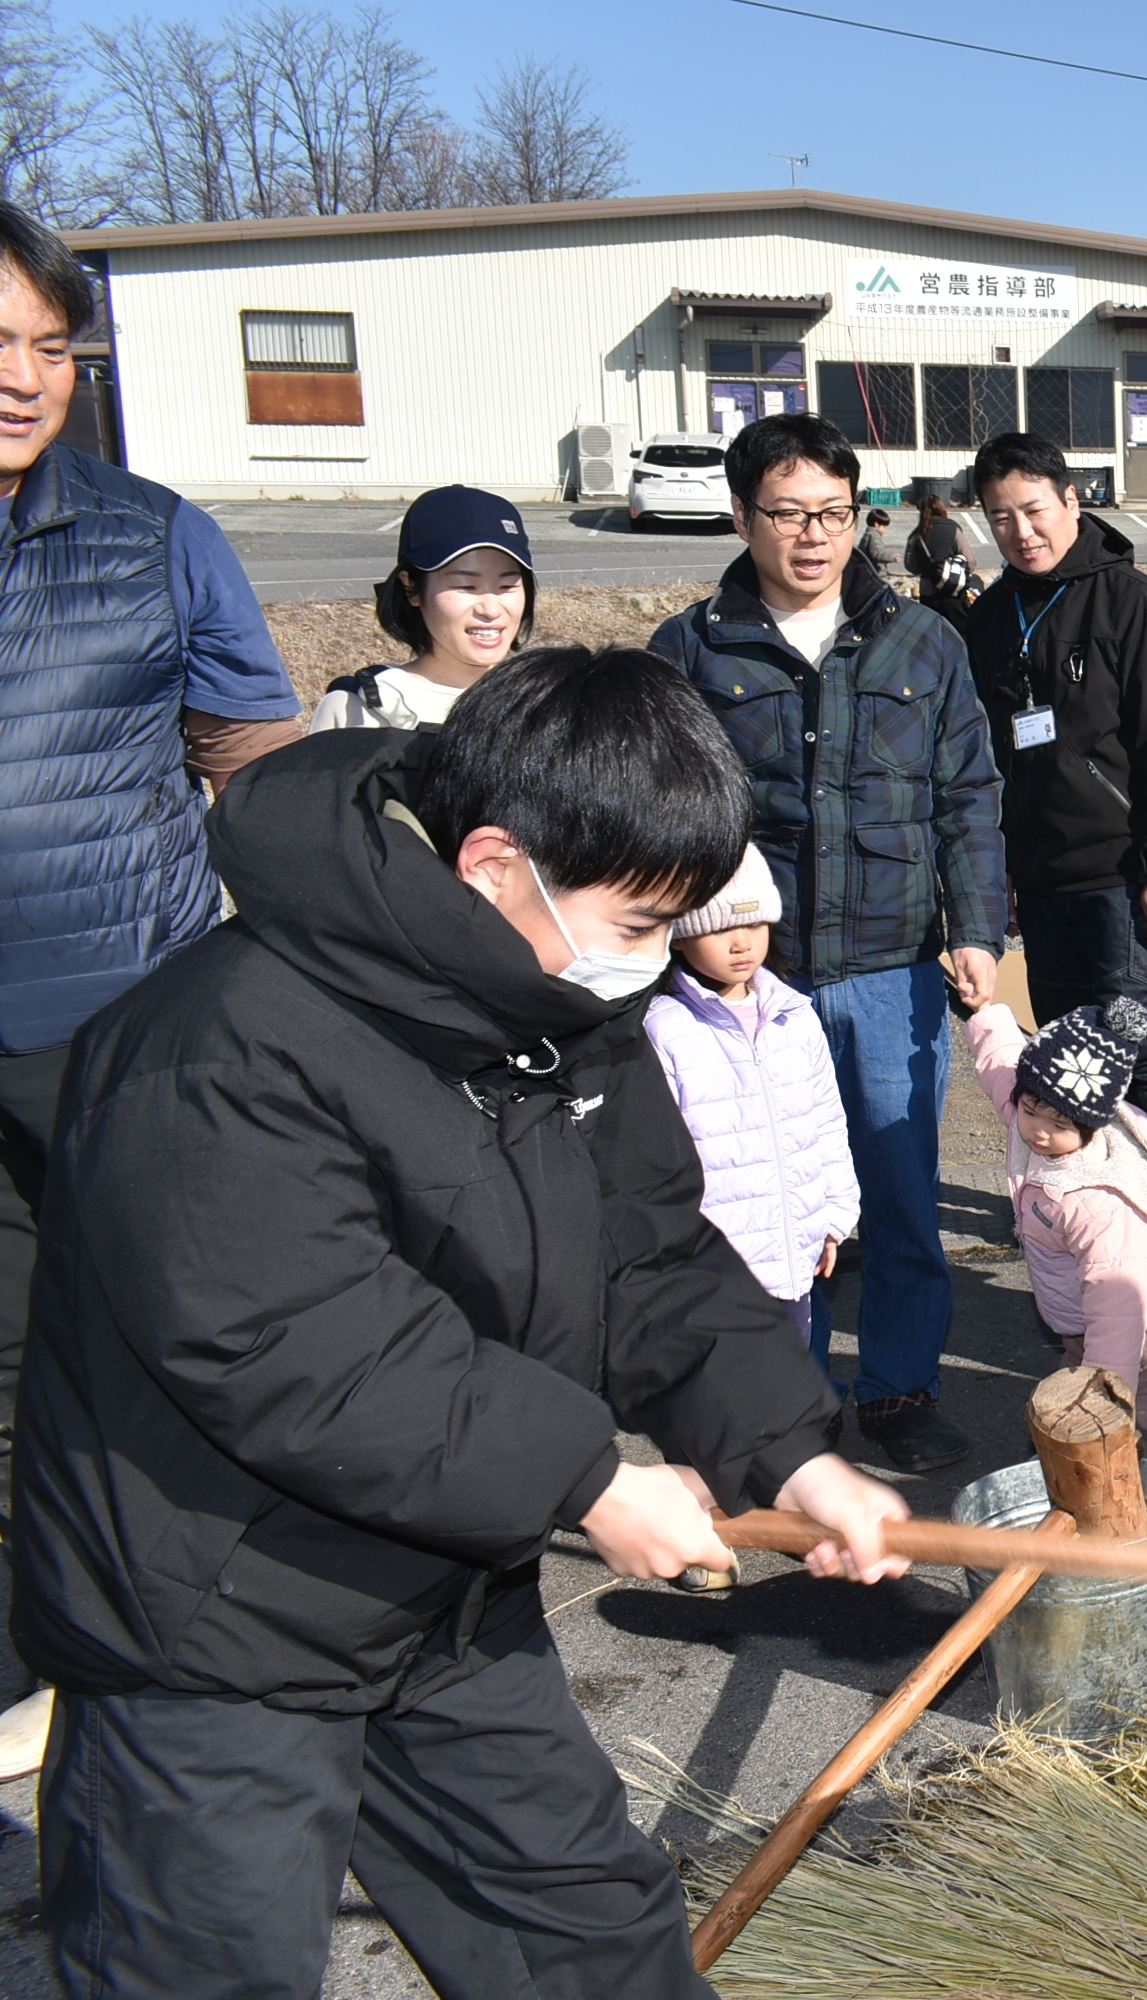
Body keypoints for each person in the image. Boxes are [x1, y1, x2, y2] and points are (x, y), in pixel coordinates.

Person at [11, 647, 913, 1998]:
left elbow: (652, 1258)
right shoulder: (219, 1047)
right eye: (633, 922)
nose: (650, 963)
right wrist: (588, 1474)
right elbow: (306, 1350)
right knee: (198, 1971)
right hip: (212, 1622)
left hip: (441, 1599)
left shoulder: (558, 1013)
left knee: (595, 1943)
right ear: (494, 865)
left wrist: (791, 1447)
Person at [0, 199, 302, 1778]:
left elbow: (251, 758)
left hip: (125, 1021)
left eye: (49, 345)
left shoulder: (150, 531)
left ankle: (213, 1655)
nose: (23, 375)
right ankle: (22, 1681)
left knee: (175, 1335)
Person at [650, 411, 1008, 1473]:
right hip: (745, 982)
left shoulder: (923, 640)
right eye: (788, 512)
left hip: (891, 966)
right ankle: (777, 1407)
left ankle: (898, 1387)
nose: (814, 535)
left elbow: (969, 797)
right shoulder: (690, 647)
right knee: (756, 1203)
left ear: (862, 515)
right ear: (741, 515)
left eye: (835, 513)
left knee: (898, 1188)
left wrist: (977, 926)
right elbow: (661, 807)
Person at [965, 433, 1147, 1157]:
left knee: (1144, 1055)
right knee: (1070, 1063)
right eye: (1000, 517)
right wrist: (996, 868)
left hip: (1121, 881)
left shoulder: (1131, 603)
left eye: (1033, 510)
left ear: (1072, 500)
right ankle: (1091, 1204)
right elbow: (985, 757)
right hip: (1039, 884)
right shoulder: (990, 616)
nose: (1020, 532)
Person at [961, 996, 1147, 1524]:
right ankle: (1107, 1493)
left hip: (1144, 1327)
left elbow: (1117, 1305)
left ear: (1091, 1125)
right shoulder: (1030, 1112)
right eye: (1030, 1109)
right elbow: (1001, 1067)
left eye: (1056, 1123)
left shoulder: (1099, 1203)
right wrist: (987, 1012)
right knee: (1090, 1412)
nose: (1036, 1130)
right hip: (1082, 1322)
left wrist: (1106, 1390)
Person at [642, 843, 860, 1377]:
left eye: (756, 926)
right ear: (680, 934)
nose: (741, 944)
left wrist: (833, 1219)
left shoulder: (794, 1016)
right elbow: (655, 1161)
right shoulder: (663, 1028)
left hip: (797, 1253)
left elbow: (828, 1122)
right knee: (729, 1398)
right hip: (715, 1267)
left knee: (791, 1380)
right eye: (719, 930)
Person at [311, 485, 534, 730]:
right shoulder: (359, 709)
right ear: (411, 588)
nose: (491, 610)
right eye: (466, 586)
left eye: (506, 586)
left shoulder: (552, 702)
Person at [906, 492, 969, 614]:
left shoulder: (917, 534)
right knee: (956, 630)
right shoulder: (954, 529)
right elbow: (970, 561)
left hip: (928, 591)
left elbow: (910, 565)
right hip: (953, 589)